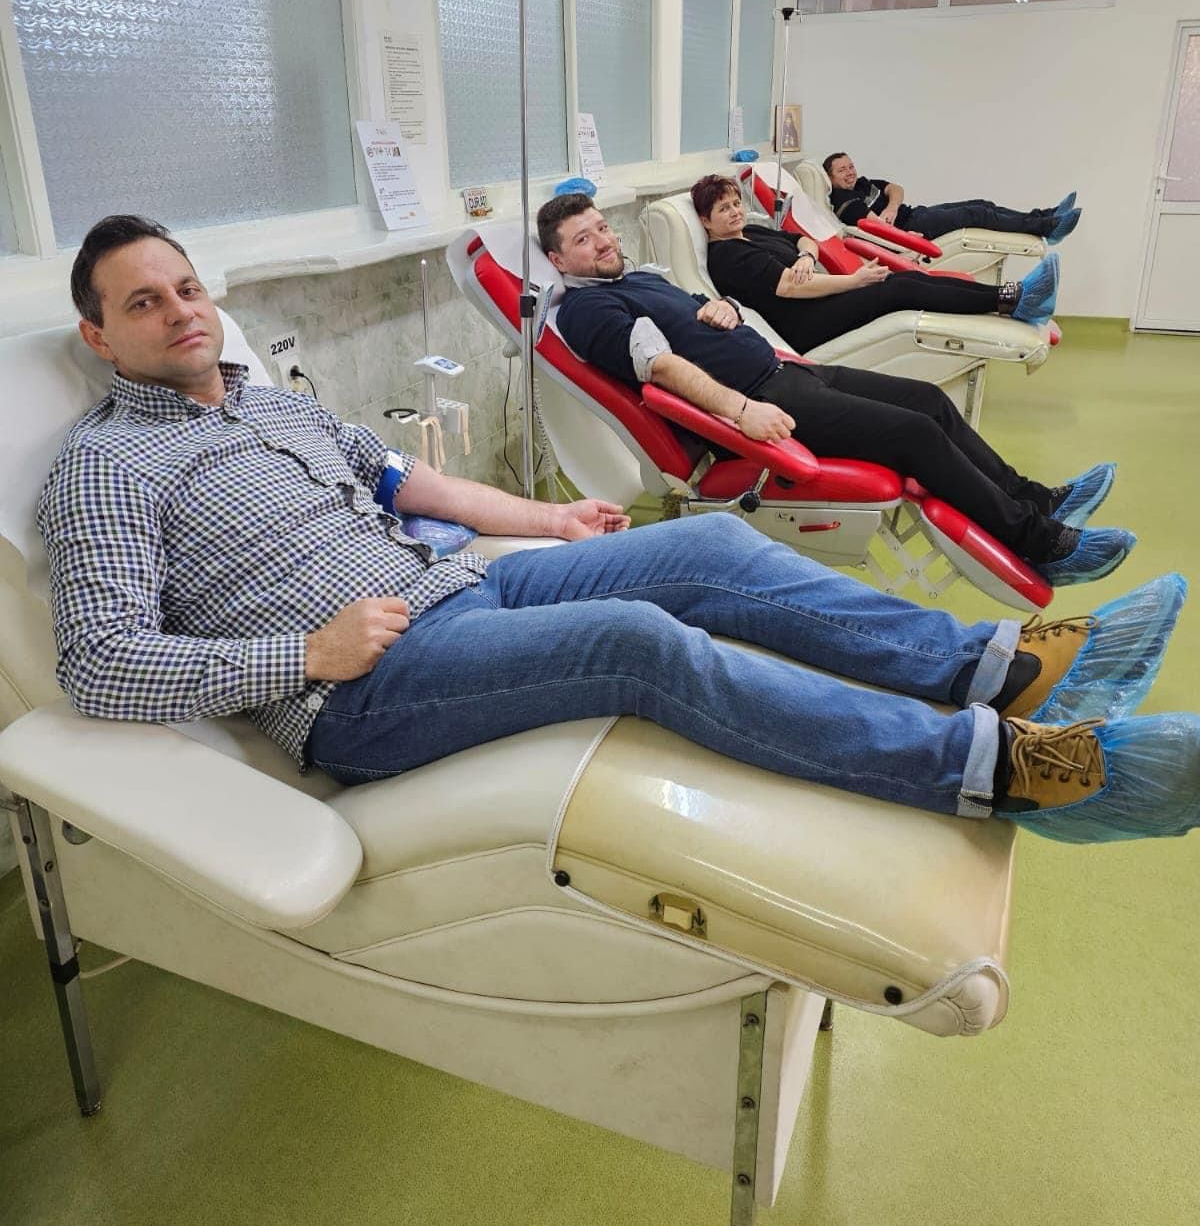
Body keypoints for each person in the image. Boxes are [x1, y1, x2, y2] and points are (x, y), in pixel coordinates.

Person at [38, 214, 1196, 846]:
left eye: (188, 288)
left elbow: (414, 485)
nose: (180, 312)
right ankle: (1004, 770)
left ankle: (1001, 665)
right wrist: (306, 653)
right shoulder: (104, 465)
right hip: (362, 686)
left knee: (711, 548)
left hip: (461, 589)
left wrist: (555, 519)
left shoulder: (276, 405)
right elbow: (99, 662)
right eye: (144, 302)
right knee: (641, 644)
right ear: (99, 336)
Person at [539, 192, 1128, 586]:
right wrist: (743, 411)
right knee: (914, 434)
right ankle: (1042, 543)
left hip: (787, 371)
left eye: (602, 228)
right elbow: (662, 368)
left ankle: (1036, 498)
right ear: (557, 258)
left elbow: (697, 307)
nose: (603, 241)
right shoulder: (589, 310)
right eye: (584, 240)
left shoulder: (636, 277)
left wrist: (721, 308)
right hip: (764, 399)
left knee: (928, 400)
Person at [694, 174, 1061, 351]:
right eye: (723, 209)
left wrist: (807, 255)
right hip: (805, 325)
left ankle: (1010, 297)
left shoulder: (751, 232)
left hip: (820, 302)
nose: (735, 211)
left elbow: (804, 241)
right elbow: (790, 287)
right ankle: (1009, 299)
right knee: (898, 289)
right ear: (706, 220)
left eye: (736, 203)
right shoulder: (728, 255)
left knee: (905, 282)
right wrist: (854, 281)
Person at [823, 152, 1082, 245]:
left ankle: (1046, 216)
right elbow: (877, 227)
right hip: (913, 227)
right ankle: (1046, 228)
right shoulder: (845, 201)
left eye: (851, 166)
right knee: (978, 215)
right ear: (831, 178)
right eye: (842, 170)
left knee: (983, 205)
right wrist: (906, 238)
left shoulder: (862, 183)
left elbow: (896, 189)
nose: (850, 172)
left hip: (916, 213)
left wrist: (892, 206)